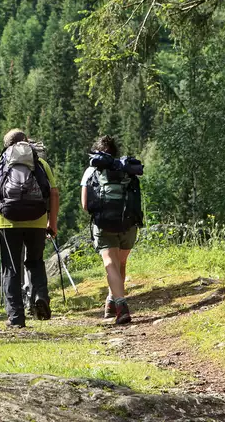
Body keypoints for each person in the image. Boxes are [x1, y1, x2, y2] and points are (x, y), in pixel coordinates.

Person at [0, 129, 59, 328]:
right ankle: (40, 296)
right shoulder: (40, 163)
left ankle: (16, 317)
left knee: (11, 268)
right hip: (38, 221)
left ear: (6, 145)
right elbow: (54, 194)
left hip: (7, 221)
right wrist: (52, 222)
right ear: (26, 143)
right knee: (35, 262)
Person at [81, 135, 143, 325]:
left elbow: (85, 204)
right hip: (128, 224)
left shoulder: (92, 170)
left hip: (104, 224)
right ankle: (111, 301)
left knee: (110, 263)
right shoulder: (126, 168)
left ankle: (121, 304)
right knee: (120, 265)